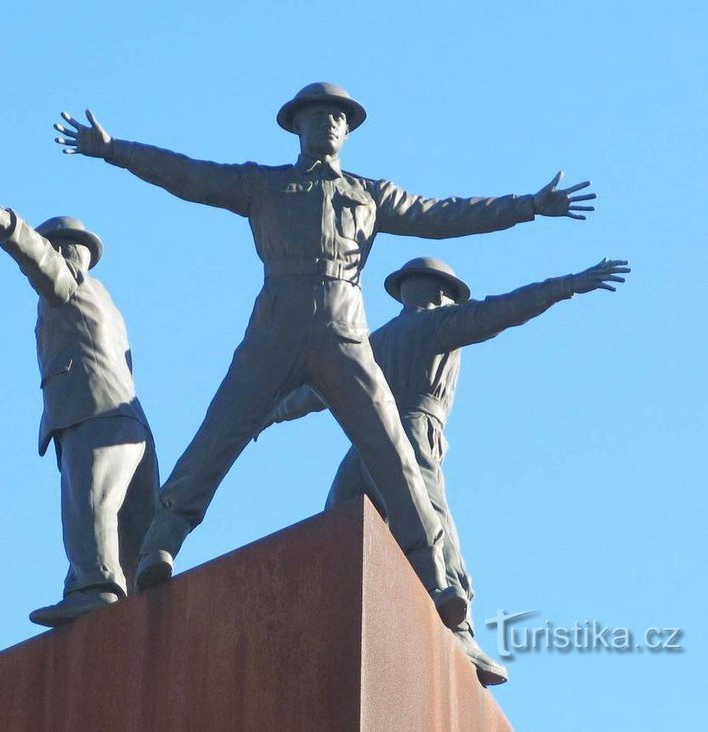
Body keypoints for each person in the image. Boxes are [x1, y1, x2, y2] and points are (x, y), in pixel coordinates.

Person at [52, 82, 597, 629]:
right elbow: (190, 176)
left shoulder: (370, 195)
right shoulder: (262, 184)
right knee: (218, 436)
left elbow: (446, 214)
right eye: (317, 117)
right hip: (275, 325)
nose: (329, 124)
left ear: (348, 129)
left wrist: (529, 206)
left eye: (338, 117)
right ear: (297, 126)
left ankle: (437, 578)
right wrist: (115, 149)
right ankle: (157, 549)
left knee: (392, 452)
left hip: (344, 331)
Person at [267, 255, 631, 685]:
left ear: (406, 290)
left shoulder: (373, 342)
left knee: (344, 515)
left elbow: (319, 389)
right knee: (424, 513)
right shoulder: (440, 324)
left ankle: (344, 613)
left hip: (370, 436)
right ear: (440, 291)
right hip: (414, 430)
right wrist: (567, 283)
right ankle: (458, 626)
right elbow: (507, 309)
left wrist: (270, 412)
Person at [0, 181, 157, 627]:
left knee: (90, 504)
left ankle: (95, 589)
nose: (64, 257)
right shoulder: (107, 303)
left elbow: (39, 262)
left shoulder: (71, 287)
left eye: (62, 249)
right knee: (129, 530)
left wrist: (1, 219)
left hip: (93, 416)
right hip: (132, 426)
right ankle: (125, 601)